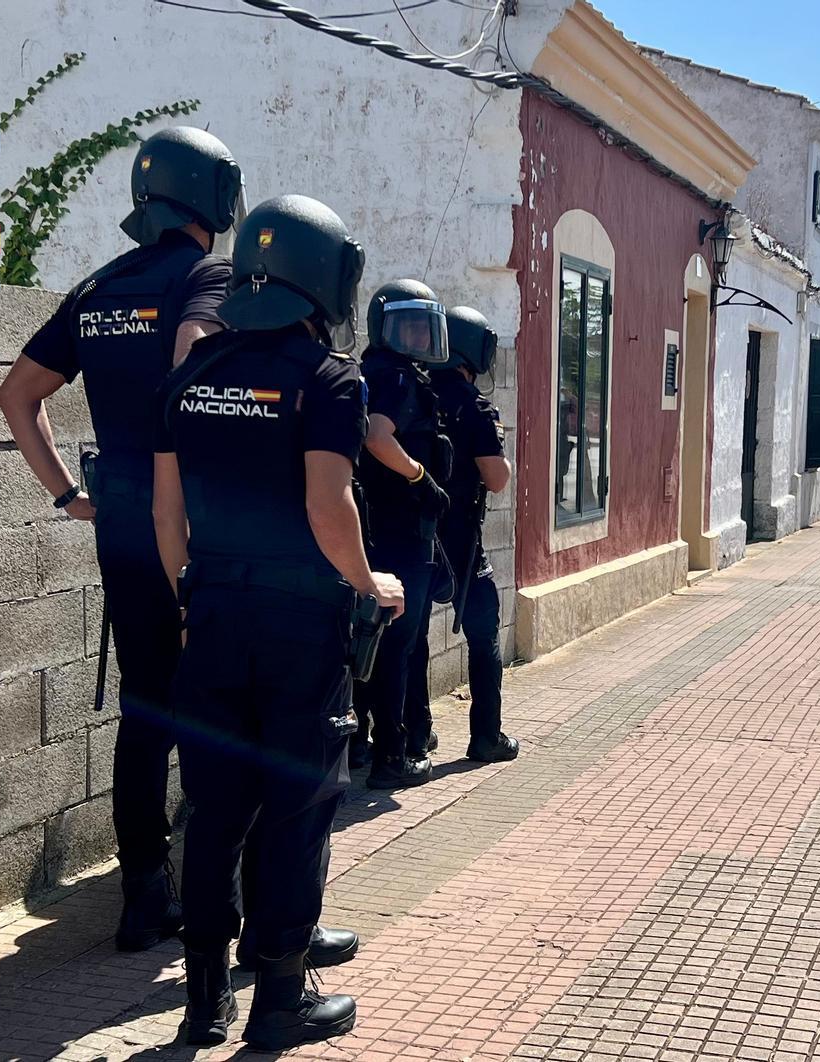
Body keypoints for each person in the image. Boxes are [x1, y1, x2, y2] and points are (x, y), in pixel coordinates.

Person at [153, 194, 404, 1049]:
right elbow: (329, 503)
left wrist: (193, 599)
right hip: (301, 626)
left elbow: (166, 513)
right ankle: (279, 1004)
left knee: (215, 808)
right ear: (326, 279)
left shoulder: (189, 372)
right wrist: (372, 583)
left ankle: (202, 1004)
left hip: (214, 613)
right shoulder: (329, 378)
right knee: (297, 810)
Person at [0, 126, 244, 951]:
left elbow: (16, 397)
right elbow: (191, 356)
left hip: (122, 525)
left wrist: (69, 494)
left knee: (145, 708)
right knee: (214, 705)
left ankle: (143, 896)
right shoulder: (208, 274)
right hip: (197, 524)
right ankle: (220, 892)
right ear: (214, 194)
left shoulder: (96, 288)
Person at [352, 280, 453, 789]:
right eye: (408, 326)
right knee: (400, 644)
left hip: (368, 532)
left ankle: (365, 739)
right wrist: (420, 476)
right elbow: (375, 435)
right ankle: (392, 756)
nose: (418, 336)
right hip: (400, 533)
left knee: (370, 637)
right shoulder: (394, 378)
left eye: (423, 326)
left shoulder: (366, 372)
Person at [428, 306, 519, 763]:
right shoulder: (474, 405)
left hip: (416, 532)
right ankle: (487, 735)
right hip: (462, 540)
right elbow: (497, 478)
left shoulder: (415, 393)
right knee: (484, 634)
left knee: (403, 637)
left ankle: (412, 733)